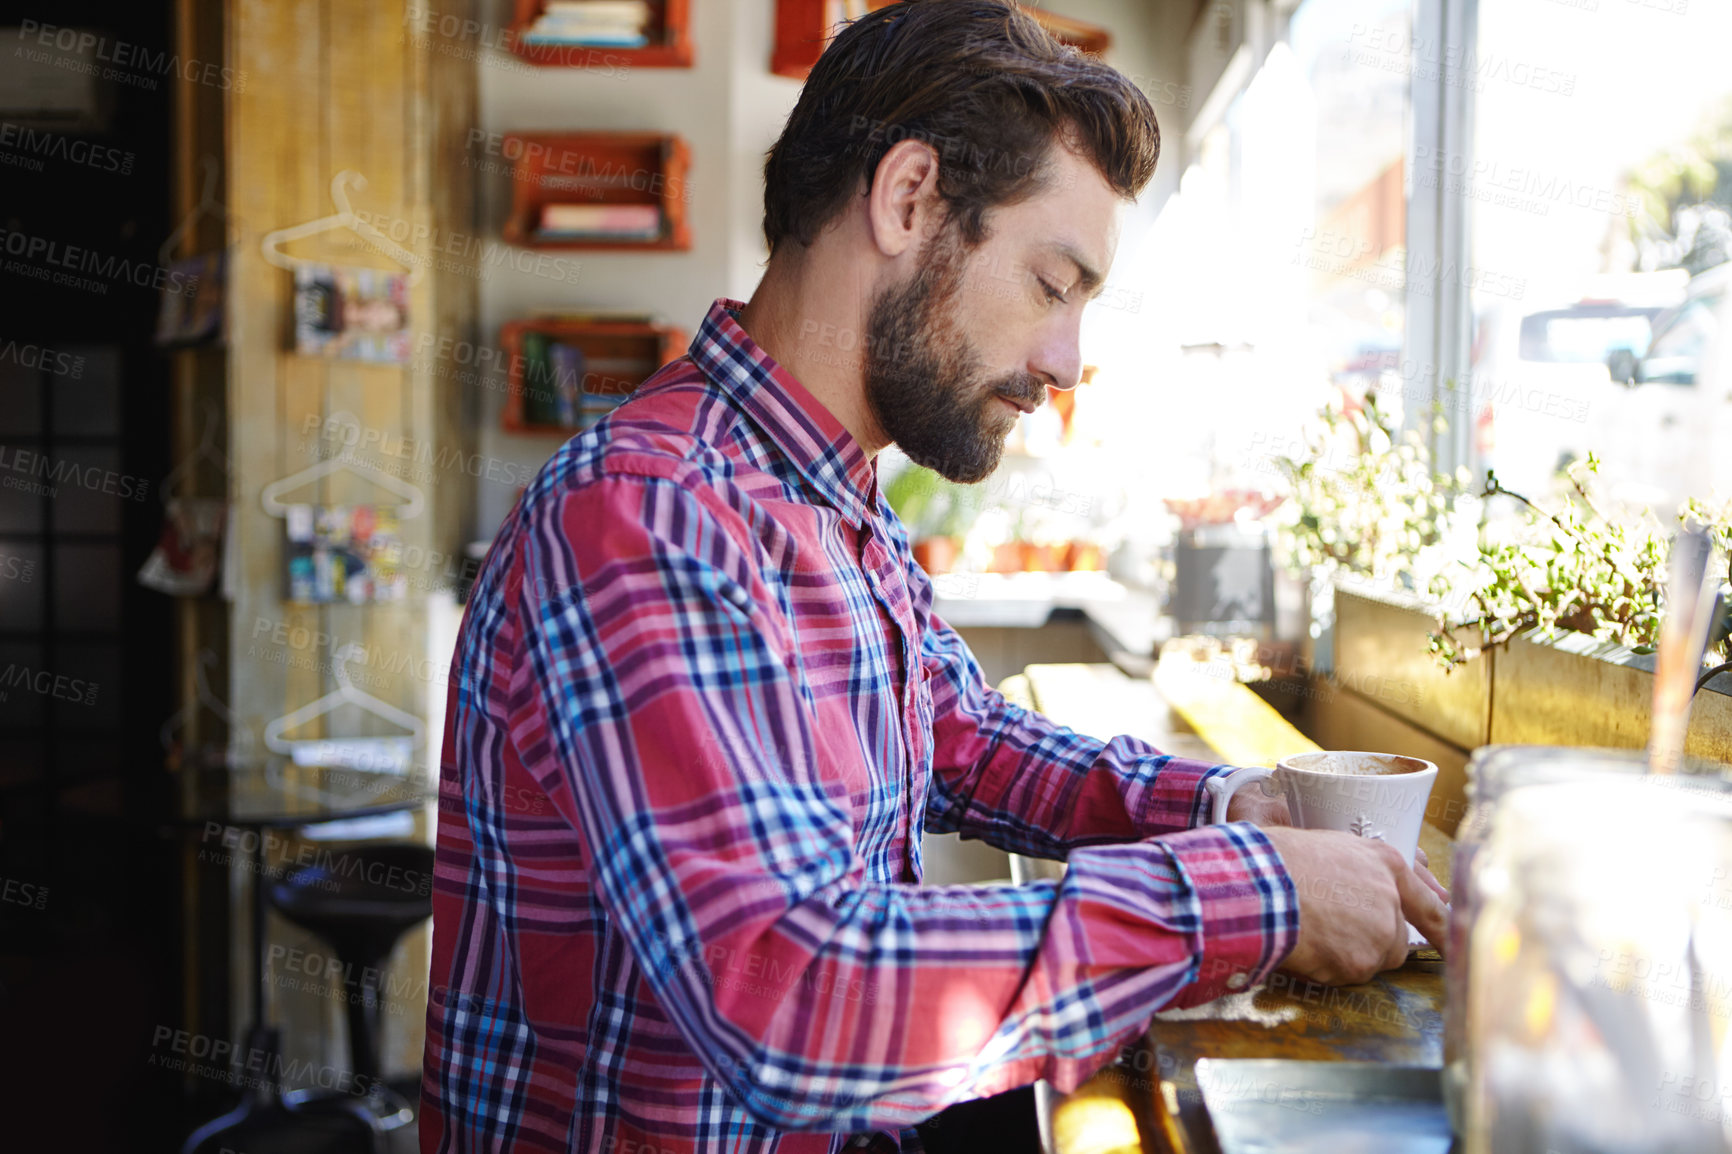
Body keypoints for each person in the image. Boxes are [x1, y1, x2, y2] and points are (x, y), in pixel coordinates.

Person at [420, 3, 1449, 1151]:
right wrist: (1252, 891)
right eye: (1054, 284)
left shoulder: (824, 493)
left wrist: (1224, 803)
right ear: (908, 199)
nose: (1065, 362)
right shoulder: (648, 509)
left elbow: (956, 736)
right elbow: (787, 991)